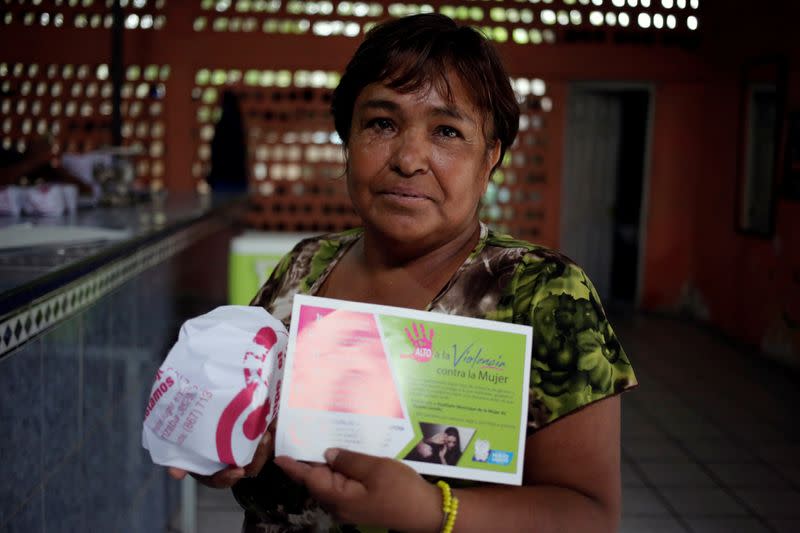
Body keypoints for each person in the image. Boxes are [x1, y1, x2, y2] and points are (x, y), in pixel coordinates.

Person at [169, 13, 637, 532]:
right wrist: (226, 449)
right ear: (348, 141)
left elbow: (591, 515)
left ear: (490, 159)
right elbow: (246, 422)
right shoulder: (304, 266)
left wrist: (434, 512)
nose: (410, 158)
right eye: (382, 123)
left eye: (446, 130)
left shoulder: (545, 294)